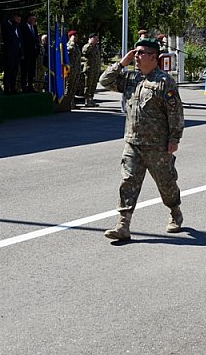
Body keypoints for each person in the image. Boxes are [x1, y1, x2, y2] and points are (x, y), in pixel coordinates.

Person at [99, 38, 185, 241]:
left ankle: (175, 211)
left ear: (153, 57)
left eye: (141, 53)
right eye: (135, 52)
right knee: (128, 182)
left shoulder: (164, 81)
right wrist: (122, 63)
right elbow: (104, 81)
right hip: (133, 142)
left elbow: (175, 113)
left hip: (157, 145)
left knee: (166, 183)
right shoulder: (131, 78)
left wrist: (174, 138)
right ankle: (123, 224)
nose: (136, 56)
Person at [2, 13, 23, 94]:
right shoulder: (8, 25)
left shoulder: (17, 27)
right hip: (9, 52)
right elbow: (9, 34)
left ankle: (13, 87)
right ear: (14, 17)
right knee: (9, 69)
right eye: (18, 19)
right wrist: (14, 24)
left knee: (15, 70)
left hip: (17, 52)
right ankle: (7, 88)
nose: (19, 21)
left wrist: (21, 51)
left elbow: (20, 39)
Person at [80, 33, 102, 107]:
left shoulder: (96, 47)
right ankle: (87, 100)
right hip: (89, 69)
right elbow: (84, 52)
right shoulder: (87, 46)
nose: (96, 40)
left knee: (93, 85)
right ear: (90, 38)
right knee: (88, 85)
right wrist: (90, 44)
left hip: (95, 69)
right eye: (95, 38)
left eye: (97, 38)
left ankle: (91, 99)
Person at [20, 14, 39, 92]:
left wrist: (37, 49)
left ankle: (30, 86)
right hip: (26, 53)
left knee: (31, 70)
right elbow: (22, 40)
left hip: (33, 53)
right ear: (28, 19)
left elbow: (36, 39)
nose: (34, 21)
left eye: (35, 19)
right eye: (33, 19)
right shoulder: (23, 27)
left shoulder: (34, 28)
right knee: (24, 71)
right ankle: (24, 87)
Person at [64, 30, 82, 106]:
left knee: (74, 86)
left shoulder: (76, 46)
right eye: (74, 36)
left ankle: (71, 102)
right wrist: (71, 43)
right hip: (70, 70)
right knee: (68, 86)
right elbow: (67, 52)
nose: (76, 37)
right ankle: (66, 103)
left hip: (76, 69)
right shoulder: (68, 45)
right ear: (70, 37)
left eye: (77, 36)